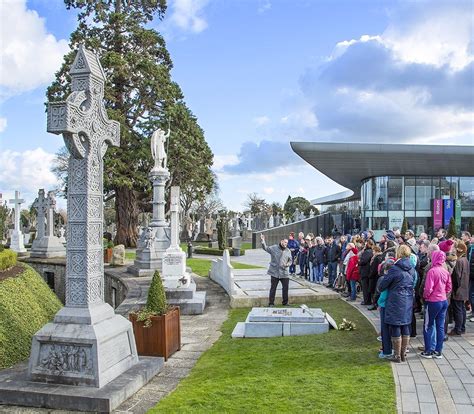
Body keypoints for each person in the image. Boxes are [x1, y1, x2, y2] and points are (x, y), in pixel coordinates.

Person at [378, 245, 415, 363]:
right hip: (408, 299)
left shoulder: (395, 269)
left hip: (395, 300)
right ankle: (403, 354)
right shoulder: (412, 268)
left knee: (396, 326)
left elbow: (383, 285)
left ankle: (397, 355)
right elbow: (413, 283)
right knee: (405, 325)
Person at [420, 250, 452, 358]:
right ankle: (438, 351)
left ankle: (428, 350)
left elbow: (428, 288)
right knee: (440, 326)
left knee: (428, 326)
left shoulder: (432, 271)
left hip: (433, 301)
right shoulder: (445, 271)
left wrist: (425, 296)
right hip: (443, 301)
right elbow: (449, 287)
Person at [261, 234, 292, 306]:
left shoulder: (288, 251)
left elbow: (290, 260)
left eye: (287, 243)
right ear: (281, 241)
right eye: (285, 242)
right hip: (274, 272)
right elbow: (265, 248)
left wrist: (288, 264)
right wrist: (263, 241)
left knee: (285, 288)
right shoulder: (274, 248)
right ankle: (271, 303)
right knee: (273, 288)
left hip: (284, 273)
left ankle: (285, 302)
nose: (285, 244)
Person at [449, 241, 469, 336]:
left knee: (458, 310)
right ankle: (462, 327)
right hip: (464, 288)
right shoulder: (465, 260)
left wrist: (455, 289)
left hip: (459, 290)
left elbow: (456, 277)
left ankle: (458, 329)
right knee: (462, 309)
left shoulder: (460, 261)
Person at [359, 239, 375, 305]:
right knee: (366, 287)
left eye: (366, 243)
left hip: (365, 271)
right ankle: (367, 300)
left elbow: (363, 261)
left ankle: (367, 301)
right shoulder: (370, 251)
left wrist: (359, 261)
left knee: (365, 287)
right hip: (367, 271)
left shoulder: (368, 252)